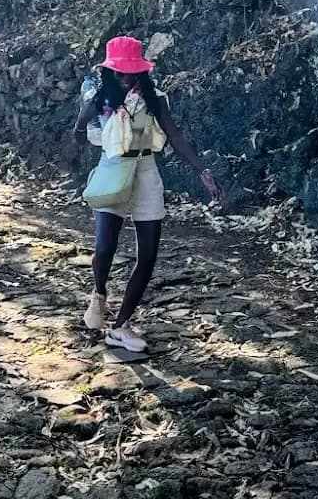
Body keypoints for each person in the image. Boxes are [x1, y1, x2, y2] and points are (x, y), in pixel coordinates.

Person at [73, 35, 221, 352]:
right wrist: (86, 119)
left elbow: (174, 134)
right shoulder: (100, 98)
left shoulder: (155, 98)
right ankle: (99, 294)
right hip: (112, 169)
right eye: (121, 73)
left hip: (145, 171)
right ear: (110, 72)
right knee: (104, 248)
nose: (127, 78)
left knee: (149, 254)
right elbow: (80, 137)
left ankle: (121, 325)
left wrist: (201, 169)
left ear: (142, 71)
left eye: (132, 72)